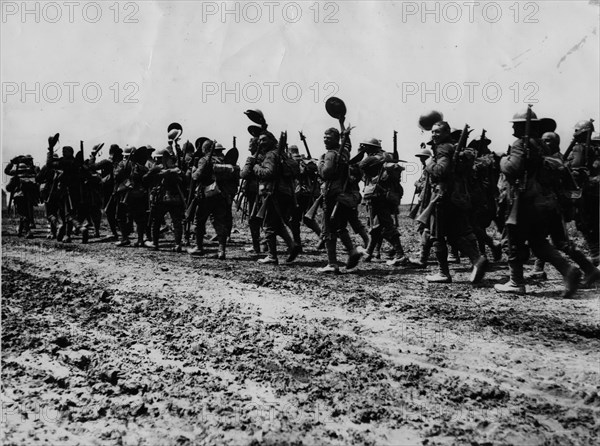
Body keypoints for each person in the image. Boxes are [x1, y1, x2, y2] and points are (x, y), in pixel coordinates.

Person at [494, 109, 582, 297]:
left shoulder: (520, 144)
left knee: (512, 242)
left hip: (521, 203)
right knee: (538, 242)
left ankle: (516, 282)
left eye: (515, 125)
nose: (512, 129)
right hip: (541, 204)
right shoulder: (541, 144)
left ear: (522, 126)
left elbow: (513, 168)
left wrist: (502, 160)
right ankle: (567, 269)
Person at [424, 121, 488, 284]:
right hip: (456, 198)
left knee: (437, 236)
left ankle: (443, 272)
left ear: (446, 133)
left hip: (442, 198)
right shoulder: (456, 150)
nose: (433, 135)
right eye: (432, 132)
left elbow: (441, 171)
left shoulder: (443, 149)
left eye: (437, 132)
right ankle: (477, 260)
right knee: (455, 234)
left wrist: (429, 164)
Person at [249, 131, 301, 265]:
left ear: (272, 141)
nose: (261, 143)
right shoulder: (282, 154)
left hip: (273, 194)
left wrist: (256, 167)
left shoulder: (271, 155)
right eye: (259, 140)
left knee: (269, 225)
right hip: (284, 193)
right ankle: (292, 245)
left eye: (264, 140)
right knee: (277, 224)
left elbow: (268, 172)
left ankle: (272, 256)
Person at [317, 127, 362, 273]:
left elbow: (326, 173)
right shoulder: (344, 152)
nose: (325, 140)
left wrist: (320, 163)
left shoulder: (330, 154)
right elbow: (347, 145)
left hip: (331, 195)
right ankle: (352, 251)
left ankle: (332, 263)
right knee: (340, 226)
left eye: (328, 137)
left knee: (328, 229)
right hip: (342, 195)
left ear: (336, 139)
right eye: (324, 137)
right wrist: (343, 129)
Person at [359, 138, 408, 266]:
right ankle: (369, 252)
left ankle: (400, 254)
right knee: (377, 226)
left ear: (370, 147)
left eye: (366, 147)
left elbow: (361, 165)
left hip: (378, 196)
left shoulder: (374, 158)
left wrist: (361, 153)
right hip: (386, 196)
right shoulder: (386, 157)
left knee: (386, 226)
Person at [188, 142, 238, 259]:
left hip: (206, 195)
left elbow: (196, 176)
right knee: (220, 222)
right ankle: (221, 251)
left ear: (204, 149)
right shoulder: (222, 160)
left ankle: (199, 247)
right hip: (220, 194)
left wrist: (193, 170)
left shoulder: (204, 160)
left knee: (199, 221)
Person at [564, 119, 599, 266]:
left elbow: (576, 170)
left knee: (586, 226)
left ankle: (596, 261)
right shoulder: (592, 149)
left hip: (585, 193)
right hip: (594, 192)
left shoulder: (580, 148)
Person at [143, 148, 185, 251]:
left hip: (161, 199)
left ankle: (155, 243)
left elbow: (145, 178)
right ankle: (178, 244)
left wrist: (157, 175)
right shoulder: (176, 169)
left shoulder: (158, 168)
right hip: (175, 199)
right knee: (177, 222)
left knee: (156, 222)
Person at [408, 146, 434, 267]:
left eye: (423, 158)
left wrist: (417, 184)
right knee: (424, 228)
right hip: (425, 200)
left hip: (427, 201)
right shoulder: (426, 168)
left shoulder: (428, 168)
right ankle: (424, 253)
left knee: (425, 228)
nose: (421, 160)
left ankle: (424, 255)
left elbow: (425, 185)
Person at [5, 155, 39, 238]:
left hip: (19, 197)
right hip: (30, 197)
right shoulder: (31, 173)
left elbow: (8, 187)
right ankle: (20, 231)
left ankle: (27, 231)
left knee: (23, 214)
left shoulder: (16, 176)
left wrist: (12, 162)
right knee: (26, 214)